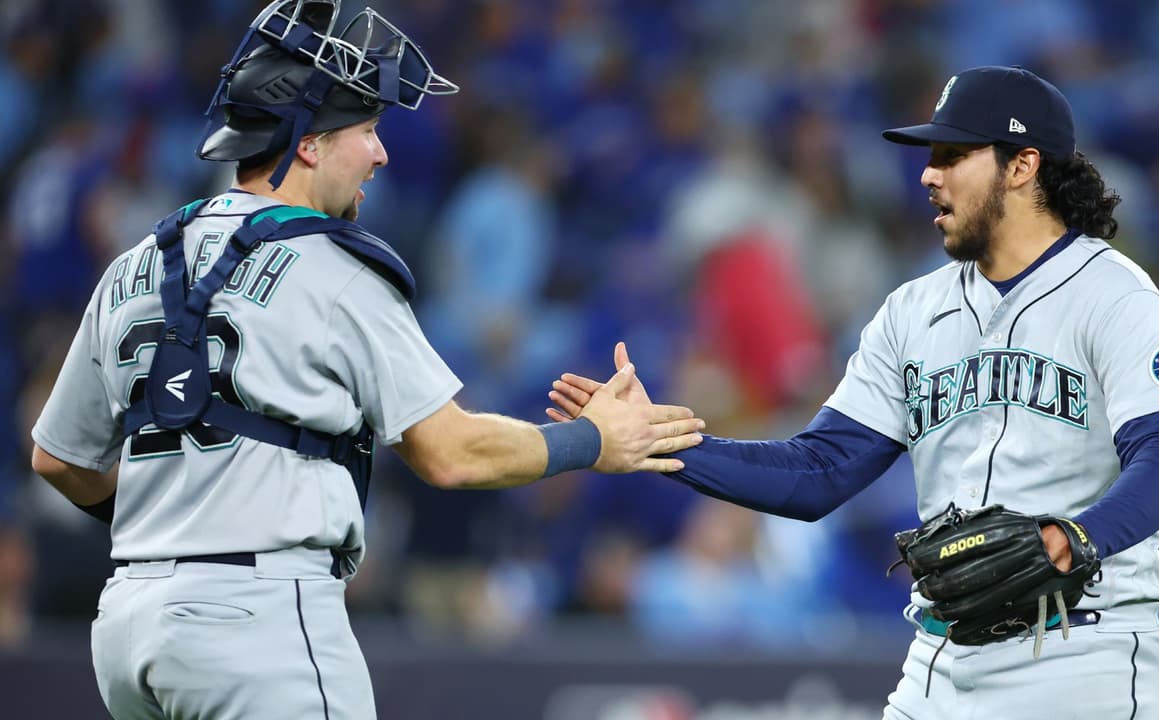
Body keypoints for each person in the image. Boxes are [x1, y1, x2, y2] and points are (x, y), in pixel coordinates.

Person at [28, 2, 703, 718]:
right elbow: (452, 453)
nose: (380, 155)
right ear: (308, 145)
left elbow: (58, 460)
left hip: (129, 624)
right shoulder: (333, 268)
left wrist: (177, 535)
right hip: (259, 623)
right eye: (366, 131)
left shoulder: (133, 264)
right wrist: (593, 439)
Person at [549, 65, 1159, 719]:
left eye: (954, 155)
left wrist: (1077, 537)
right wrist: (655, 441)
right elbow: (817, 472)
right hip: (941, 666)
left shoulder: (1115, 296)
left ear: (1023, 165)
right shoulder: (911, 312)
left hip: (1084, 659)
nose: (929, 174)